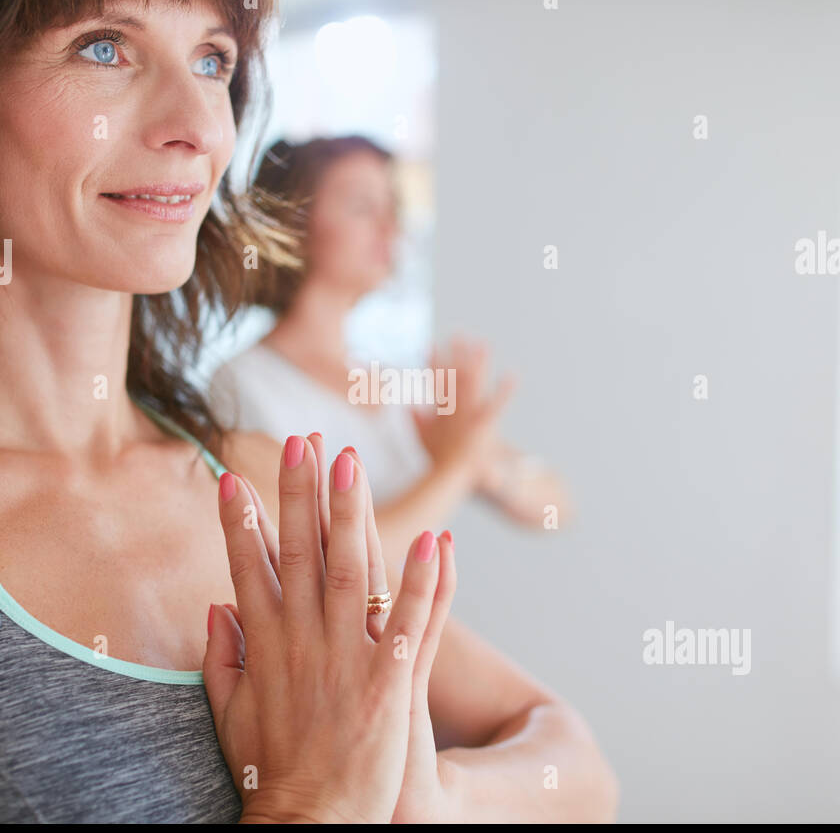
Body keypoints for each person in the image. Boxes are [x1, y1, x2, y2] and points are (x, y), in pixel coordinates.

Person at [0, 0, 617, 823]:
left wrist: (424, 798)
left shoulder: (254, 482)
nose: (199, 124)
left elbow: (573, 764)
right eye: (103, 47)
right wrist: (308, 808)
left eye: (212, 60)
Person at [209, 136, 570, 579]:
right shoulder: (241, 385)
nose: (390, 228)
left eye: (392, 208)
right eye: (363, 207)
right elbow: (338, 570)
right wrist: (457, 467)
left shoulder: (396, 382)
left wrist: (483, 466)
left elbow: (554, 504)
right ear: (292, 224)